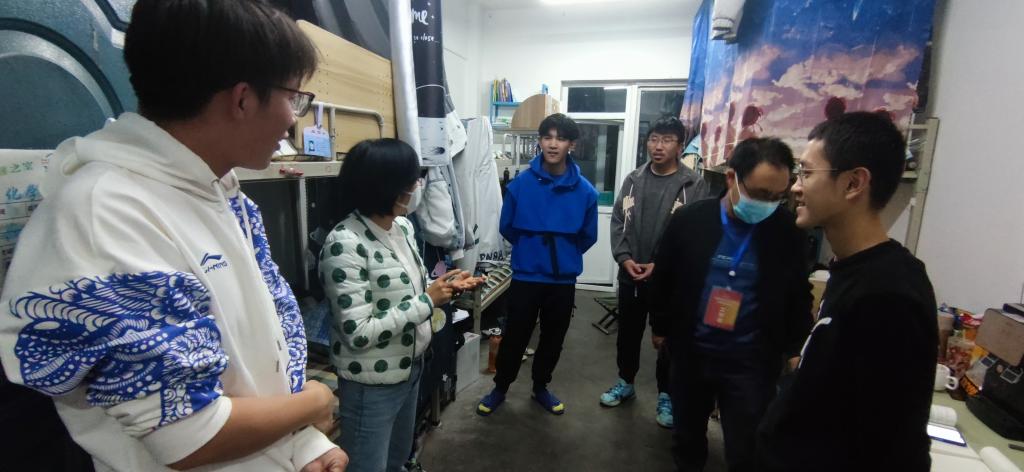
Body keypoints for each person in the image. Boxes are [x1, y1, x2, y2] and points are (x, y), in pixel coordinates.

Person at [0, 1, 350, 470]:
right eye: (294, 97)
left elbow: (256, 354)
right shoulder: (104, 214)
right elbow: (191, 436)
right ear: (243, 99)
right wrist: (313, 403)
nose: (293, 120)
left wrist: (302, 444)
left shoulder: (219, 192)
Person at [756, 112, 938, 471]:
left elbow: (894, 447)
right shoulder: (850, 270)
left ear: (854, 183)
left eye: (807, 173)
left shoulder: (889, 295)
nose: (795, 187)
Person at [318, 139, 482, 472]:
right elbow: (358, 332)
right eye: (410, 181)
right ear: (384, 186)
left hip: (410, 369)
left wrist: (444, 285)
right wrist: (428, 300)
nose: (415, 187)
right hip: (371, 385)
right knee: (367, 466)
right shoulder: (345, 243)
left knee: (397, 460)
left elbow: (407, 292)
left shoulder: (402, 228)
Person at [651, 137, 812, 472]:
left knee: (747, 447)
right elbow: (664, 276)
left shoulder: (786, 231)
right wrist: (661, 326)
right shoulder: (690, 221)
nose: (768, 204)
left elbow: (798, 292)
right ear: (731, 179)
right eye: (759, 193)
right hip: (693, 353)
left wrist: (795, 345)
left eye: (777, 197)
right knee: (687, 439)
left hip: (751, 363)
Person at [477, 113, 599, 416]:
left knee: (553, 339)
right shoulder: (521, 185)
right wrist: (533, 251)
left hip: (562, 280)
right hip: (526, 276)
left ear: (571, 144)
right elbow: (507, 227)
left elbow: (588, 236)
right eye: (547, 137)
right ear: (540, 141)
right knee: (515, 336)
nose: (553, 144)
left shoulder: (586, 192)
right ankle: (500, 388)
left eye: (561, 138)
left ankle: (541, 386)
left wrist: (563, 254)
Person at [600, 116, 709, 429]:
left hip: (670, 280)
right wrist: (624, 258)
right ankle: (626, 381)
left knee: (668, 340)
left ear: (680, 146)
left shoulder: (693, 184)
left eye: (667, 140)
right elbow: (618, 221)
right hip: (631, 273)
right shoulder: (634, 180)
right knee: (628, 334)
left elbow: (695, 232)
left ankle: (667, 395)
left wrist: (661, 265)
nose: (658, 146)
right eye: (654, 139)